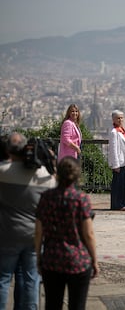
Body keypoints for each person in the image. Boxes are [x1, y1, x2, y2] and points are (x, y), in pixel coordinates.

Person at [0, 132, 57, 310]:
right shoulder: (44, 177)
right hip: (34, 235)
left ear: (8, 150)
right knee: (32, 278)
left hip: (7, 234)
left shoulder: (2, 172)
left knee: (3, 279)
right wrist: (52, 163)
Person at [35, 156, 99, 310]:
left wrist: (38, 256)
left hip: (52, 259)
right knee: (77, 305)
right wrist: (94, 259)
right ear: (77, 176)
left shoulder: (46, 198)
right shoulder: (81, 199)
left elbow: (38, 231)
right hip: (78, 260)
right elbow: (88, 233)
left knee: (52, 304)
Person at [108, 110, 125, 211]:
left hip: (124, 161)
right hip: (119, 162)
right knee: (118, 185)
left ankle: (124, 203)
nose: (120, 119)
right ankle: (117, 204)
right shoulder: (114, 132)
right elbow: (113, 149)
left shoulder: (122, 130)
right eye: (118, 118)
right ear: (113, 119)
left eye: (121, 117)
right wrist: (116, 165)